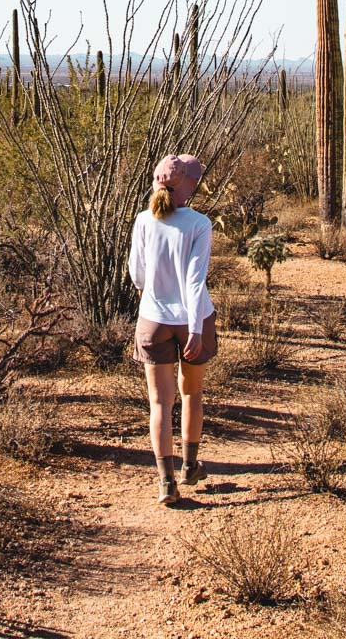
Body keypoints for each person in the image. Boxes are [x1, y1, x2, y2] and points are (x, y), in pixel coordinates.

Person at [128, 152, 217, 505]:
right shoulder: (199, 224)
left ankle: (166, 483)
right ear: (189, 187)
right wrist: (195, 329)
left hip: (153, 320)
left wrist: (151, 297)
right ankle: (190, 466)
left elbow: (137, 274)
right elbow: (195, 282)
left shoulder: (143, 221)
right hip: (191, 320)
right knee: (191, 394)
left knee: (159, 402)